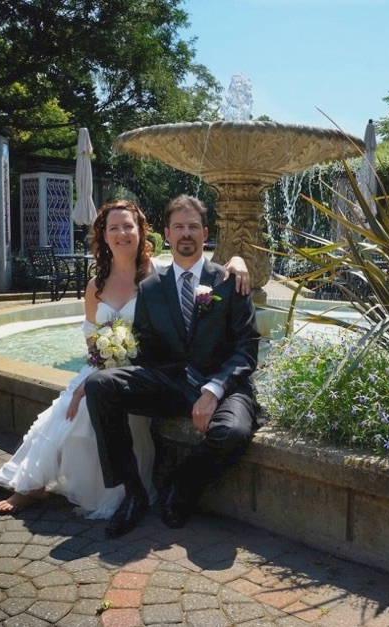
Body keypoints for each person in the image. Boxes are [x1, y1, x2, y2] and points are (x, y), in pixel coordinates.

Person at [0, 199, 251, 518]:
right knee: (76, 403)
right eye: (114, 228)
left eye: (128, 226)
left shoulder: (175, 276)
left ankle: (175, 488)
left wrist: (238, 259)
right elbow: (100, 340)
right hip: (131, 370)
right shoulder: (117, 286)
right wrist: (96, 370)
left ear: (143, 233)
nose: (122, 233)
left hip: (178, 376)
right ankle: (28, 482)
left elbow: (237, 336)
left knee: (86, 402)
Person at [86, 194, 262, 538]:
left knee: (233, 432)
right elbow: (149, 350)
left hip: (224, 384)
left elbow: (247, 349)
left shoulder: (229, 279)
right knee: (100, 386)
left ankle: (181, 487)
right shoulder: (150, 288)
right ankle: (133, 494)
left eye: (193, 227)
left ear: (205, 233)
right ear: (166, 233)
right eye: (179, 226)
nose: (186, 233)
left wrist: (213, 390)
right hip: (172, 384)